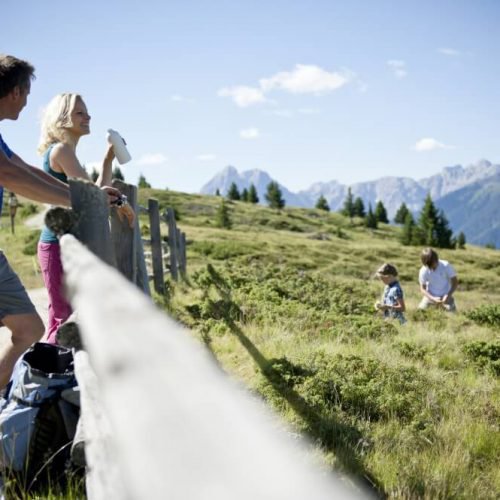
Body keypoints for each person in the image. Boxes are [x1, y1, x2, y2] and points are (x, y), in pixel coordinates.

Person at [0, 54, 119, 389]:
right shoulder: (61, 151)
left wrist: (84, 193)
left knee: (34, 327)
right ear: (16, 91)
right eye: (25, 95)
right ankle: (40, 393)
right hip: (56, 243)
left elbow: (20, 167)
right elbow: (9, 173)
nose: (26, 104)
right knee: (55, 321)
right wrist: (80, 198)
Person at [36, 93, 117, 343]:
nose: (87, 116)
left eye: (87, 112)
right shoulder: (61, 151)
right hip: (57, 245)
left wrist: (107, 160)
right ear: (62, 118)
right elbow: (93, 198)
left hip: (61, 244)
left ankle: (49, 377)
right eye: (79, 113)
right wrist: (118, 201)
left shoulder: (65, 152)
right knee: (64, 320)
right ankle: (50, 378)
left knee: (60, 318)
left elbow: (93, 195)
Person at [418, 247, 458, 312]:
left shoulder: (446, 265)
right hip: (430, 297)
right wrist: (433, 298)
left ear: (436, 260)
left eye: (433, 265)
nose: (432, 268)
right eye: (429, 266)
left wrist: (448, 295)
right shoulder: (423, 270)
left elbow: (455, 282)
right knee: (420, 312)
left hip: (446, 297)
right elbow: (422, 288)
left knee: (452, 316)